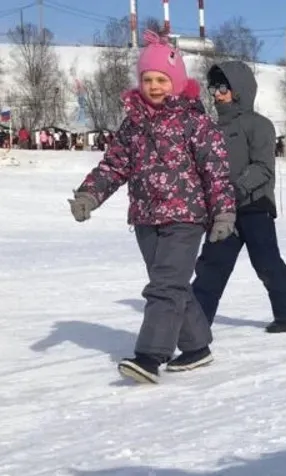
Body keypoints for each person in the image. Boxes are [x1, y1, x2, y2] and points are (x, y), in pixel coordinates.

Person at [68, 29, 235, 384]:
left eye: (162, 79)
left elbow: (216, 169)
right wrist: (89, 195)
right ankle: (196, 347)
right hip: (146, 218)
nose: (155, 85)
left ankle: (150, 355)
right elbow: (114, 165)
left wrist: (224, 211)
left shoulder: (195, 122)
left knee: (164, 286)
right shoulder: (133, 124)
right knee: (172, 285)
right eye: (148, 79)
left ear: (176, 82)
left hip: (186, 217)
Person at [192, 60, 286, 333]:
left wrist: (233, 190)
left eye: (223, 87)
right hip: (223, 211)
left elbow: (263, 167)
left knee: (266, 262)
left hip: (254, 207)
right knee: (211, 265)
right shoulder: (211, 128)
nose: (217, 93)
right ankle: (193, 326)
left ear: (239, 89)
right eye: (214, 88)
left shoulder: (259, 125)